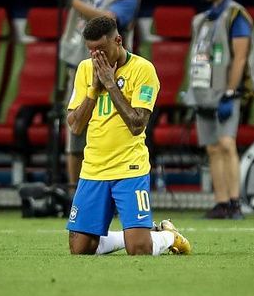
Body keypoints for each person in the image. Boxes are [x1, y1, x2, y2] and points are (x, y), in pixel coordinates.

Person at [66, 16, 191, 255]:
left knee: (140, 250)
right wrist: (93, 89)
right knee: (80, 249)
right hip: (94, 168)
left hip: (129, 168)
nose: (96, 57)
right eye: (91, 51)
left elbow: (137, 125)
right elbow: (75, 126)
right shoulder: (84, 69)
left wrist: (111, 85)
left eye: (101, 49)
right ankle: (133, 236)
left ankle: (168, 236)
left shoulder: (143, 70)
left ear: (118, 41)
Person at [184, 0, 254, 219]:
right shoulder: (201, 20)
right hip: (203, 92)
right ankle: (221, 202)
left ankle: (235, 202)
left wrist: (230, 92)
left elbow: (240, 58)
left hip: (226, 93)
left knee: (227, 144)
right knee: (212, 148)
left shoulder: (237, 15)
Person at [56, 0, 140, 190]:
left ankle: (114, 191)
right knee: (75, 134)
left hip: (116, 72)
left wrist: (72, 2)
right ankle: (75, 194)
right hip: (79, 66)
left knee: (111, 128)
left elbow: (108, 19)